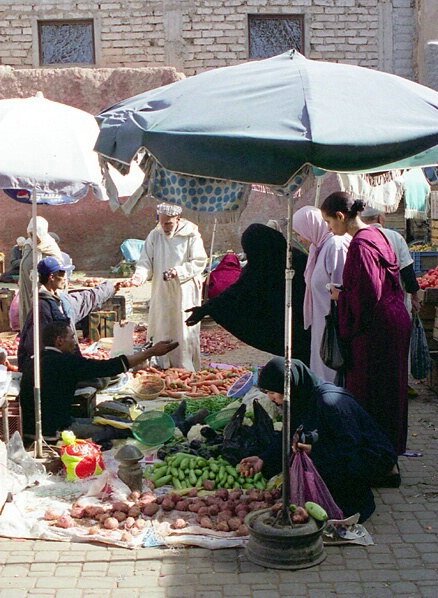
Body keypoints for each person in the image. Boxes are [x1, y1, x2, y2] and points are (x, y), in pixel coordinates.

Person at [239, 358, 399, 523]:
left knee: (333, 485)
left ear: (289, 387)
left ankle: (356, 504)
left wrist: (316, 451)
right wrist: (263, 459)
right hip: (339, 451)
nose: (270, 397)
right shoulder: (300, 397)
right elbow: (288, 435)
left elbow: (350, 451)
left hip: (371, 456)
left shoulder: (330, 403)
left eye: (273, 392)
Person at [320, 192, 412, 455]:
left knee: (372, 394)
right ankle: (388, 453)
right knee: (391, 392)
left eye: (329, 222)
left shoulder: (361, 244)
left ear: (341, 216)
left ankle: (380, 457)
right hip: (393, 321)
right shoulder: (378, 235)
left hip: (377, 330)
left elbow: (369, 294)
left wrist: (341, 296)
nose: (328, 228)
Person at [19, 320, 178, 439]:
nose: (75, 342)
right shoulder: (64, 362)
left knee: (108, 420)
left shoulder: (37, 359)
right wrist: (150, 352)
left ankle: (169, 422)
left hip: (52, 422)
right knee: (114, 430)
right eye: (72, 337)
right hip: (51, 431)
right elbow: (108, 367)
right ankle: (170, 428)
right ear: (59, 340)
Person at [186, 223, 311, 364]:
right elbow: (238, 292)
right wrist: (206, 308)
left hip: (306, 324)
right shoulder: (258, 265)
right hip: (280, 324)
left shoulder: (297, 262)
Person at [129, 203, 207, 371]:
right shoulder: (155, 235)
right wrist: (139, 276)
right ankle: (162, 364)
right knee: (162, 324)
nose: (164, 227)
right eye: (162, 222)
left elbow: (199, 261)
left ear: (177, 219)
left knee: (183, 328)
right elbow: (145, 261)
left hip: (184, 291)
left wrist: (178, 271)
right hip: (162, 290)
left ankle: (184, 366)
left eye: (168, 223)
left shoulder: (191, 235)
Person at [18, 255, 121, 373]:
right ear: (52, 277)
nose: (65, 278)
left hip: (66, 361)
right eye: (62, 274)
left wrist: (110, 288)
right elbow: (36, 346)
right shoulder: (41, 307)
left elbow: (86, 299)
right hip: (52, 369)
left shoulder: (62, 300)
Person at [292, 206, 350, 382]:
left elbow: (341, 287)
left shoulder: (335, 245)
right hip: (323, 322)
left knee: (333, 373)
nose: (301, 238)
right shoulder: (318, 248)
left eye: (300, 232)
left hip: (335, 323)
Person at [361, 206, 421, 313]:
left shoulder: (357, 238)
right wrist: (415, 298)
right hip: (396, 307)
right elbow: (407, 271)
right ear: (380, 219)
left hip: (367, 308)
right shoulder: (395, 237)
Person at [19, 216, 62, 330]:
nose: (34, 237)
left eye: (37, 233)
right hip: (27, 288)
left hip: (42, 290)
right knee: (28, 313)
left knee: (42, 317)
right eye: (31, 234)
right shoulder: (28, 245)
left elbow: (58, 269)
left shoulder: (50, 247)